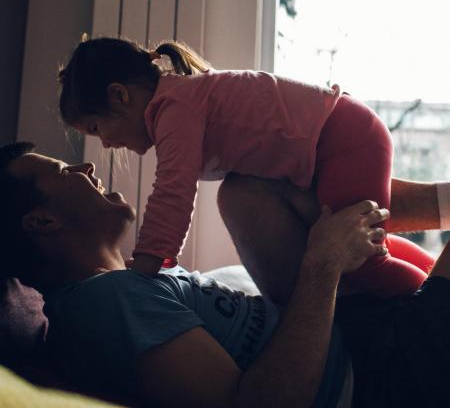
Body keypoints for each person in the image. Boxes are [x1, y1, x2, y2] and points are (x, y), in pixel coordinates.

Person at [1, 141, 450, 408]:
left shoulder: (132, 284)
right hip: (380, 381)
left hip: (364, 337)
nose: (87, 168)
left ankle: (441, 203)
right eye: (64, 171)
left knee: (247, 188)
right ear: (42, 222)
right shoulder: (101, 304)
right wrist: (324, 262)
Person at [57, 36, 434, 299]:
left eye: (96, 129)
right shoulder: (178, 101)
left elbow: (173, 190)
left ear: (118, 95)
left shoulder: (172, 109)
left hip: (343, 140)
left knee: (363, 262)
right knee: (365, 241)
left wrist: (146, 265)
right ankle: (432, 268)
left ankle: (433, 308)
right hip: (340, 135)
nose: (104, 143)